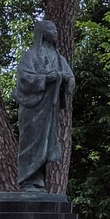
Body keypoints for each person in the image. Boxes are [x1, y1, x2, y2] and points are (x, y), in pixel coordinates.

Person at [13, 20, 75, 192]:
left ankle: (38, 181)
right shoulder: (30, 55)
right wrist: (45, 78)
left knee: (45, 143)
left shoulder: (60, 59)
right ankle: (27, 181)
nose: (55, 31)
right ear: (41, 32)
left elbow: (71, 79)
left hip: (49, 110)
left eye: (56, 28)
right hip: (32, 108)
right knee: (30, 142)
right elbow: (23, 79)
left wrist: (65, 79)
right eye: (50, 28)